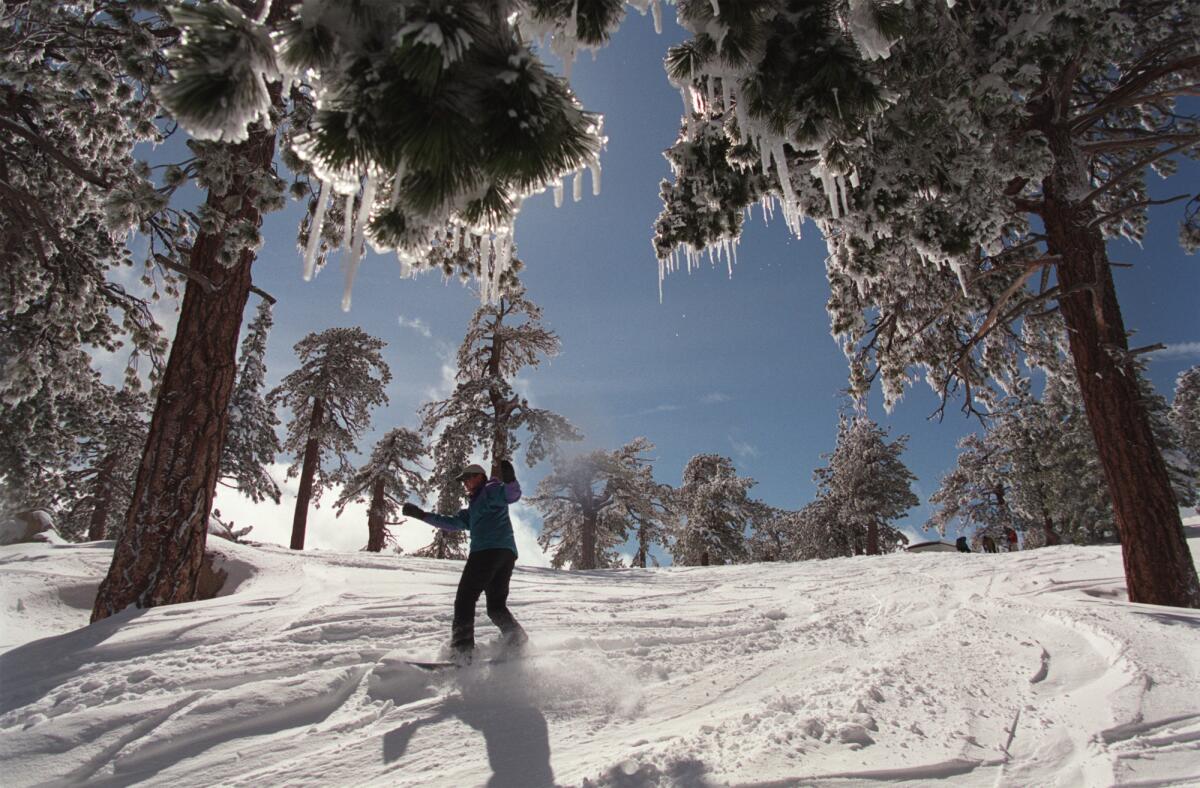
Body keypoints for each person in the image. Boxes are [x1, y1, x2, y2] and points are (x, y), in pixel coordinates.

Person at [402, 460, 527, 664]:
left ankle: (462, 652)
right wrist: (421, 515)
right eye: (464, 480)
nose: (465, 483)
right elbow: (451, 523)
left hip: (487, 551)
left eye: (468, 478)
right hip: (505, 554)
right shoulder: (473, 508)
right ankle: (517, 640)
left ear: (479, 476)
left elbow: (511, 495)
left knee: (464, 599)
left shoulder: (491, 490)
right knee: (495, 607)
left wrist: (511, 479)